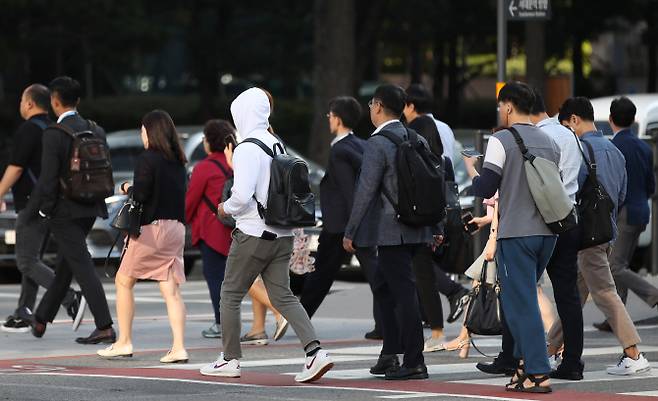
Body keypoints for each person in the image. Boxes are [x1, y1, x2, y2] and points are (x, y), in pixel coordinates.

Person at [200, 88, 333, 383]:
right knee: (284, 296)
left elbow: (242, 196)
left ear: (242, 113)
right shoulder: (277, 143)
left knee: (230, 294)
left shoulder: (247, 147)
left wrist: (224, 208)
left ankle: (230, 359)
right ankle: (315, 352)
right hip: (282, 233)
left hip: (252, 234)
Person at [463, 82, 558, 393]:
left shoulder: (501, 139)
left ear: (507, 106)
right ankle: (521, 364)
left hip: (517, 232)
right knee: (520, 300)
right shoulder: (548, 140)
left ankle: (539, 372)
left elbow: (487, 188)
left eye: (500, 107)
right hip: (548, 233)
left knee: (522, 305)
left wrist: (472, 171)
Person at [548, 97, 650, 376]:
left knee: (605, 293)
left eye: (566, 124)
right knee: (576, 294)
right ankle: (546, 350)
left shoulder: (581, 150)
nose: (567, 131)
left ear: (574, 120)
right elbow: (621, 195)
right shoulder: (615, 150)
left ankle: (634, 353)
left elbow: (569, 190)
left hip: (585, 235)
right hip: (606, 232)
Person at [344, 84, 437, 381]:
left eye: (372, 104)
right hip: (417, 227)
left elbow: (365, 191)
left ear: (379, 107)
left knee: (403, 293)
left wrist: (351, 231)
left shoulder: (377, 143)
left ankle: (414, 360)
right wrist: (435, 226)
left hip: (390, 230)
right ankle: (389, 353)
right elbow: (435, 181)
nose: (370, 109)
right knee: (384, 288)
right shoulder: (417, 137)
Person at [97, 110, 188, 362]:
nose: (141, 134)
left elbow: (142, 195)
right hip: (176, 229)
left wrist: (127, 187)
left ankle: (124, 341)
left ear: (151, 131)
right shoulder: (179, 161)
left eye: (143, 130)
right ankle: (179, 346)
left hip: (152, 229)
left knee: (123, 281)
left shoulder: (148, 159)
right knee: (170, 288)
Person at [29, 76, 114, 344]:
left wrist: (44, 210)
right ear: (77, 101)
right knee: (68, 264)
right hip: (91, 207)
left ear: (55, 101)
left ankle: (104, 326)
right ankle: (41, 318)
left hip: (64, 211)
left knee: (82, 266)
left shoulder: (54, 133)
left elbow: (48, 178)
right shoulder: (95, 130)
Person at [0, 84, 83, 333]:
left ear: (28, 103)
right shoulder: (53, 128)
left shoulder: (28, 130)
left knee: (25, 262)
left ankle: (70, 298)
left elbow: (16, 167)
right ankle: (24, 310)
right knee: (32, 257)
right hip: (53, 204)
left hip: (32, 203)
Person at [299, 96, 382, 340]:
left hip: (340, 226)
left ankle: (299, 318)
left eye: (330, 115)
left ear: (337, 118)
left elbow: (349, 192)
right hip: (359, 223)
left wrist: (350, 230)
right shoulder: (360, 144)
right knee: (376, 275)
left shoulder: (339, 150)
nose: (328, 119)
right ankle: (385, 324)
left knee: (322, 274)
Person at [402, 85, 469, 353]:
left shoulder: (418, 130)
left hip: (423, 209)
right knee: (423, 269)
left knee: (422, 269)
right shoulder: (444, 127)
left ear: (410, 105)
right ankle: (436, 320)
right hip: (440, 206)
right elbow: (448, 164)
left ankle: (448, 304)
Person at [530, 90, 585, 380]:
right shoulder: (569, 134)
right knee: (568, 295)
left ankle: (517, 358)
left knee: (524, 289)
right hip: (570, 218)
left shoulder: (538, 137)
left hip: (543, 220)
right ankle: (572, 361)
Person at [593, 97, 658, 332]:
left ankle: (652, 294)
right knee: (621, 263)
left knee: (614, 266)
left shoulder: (614, 147)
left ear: (611, 120)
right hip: (642, 209)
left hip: (624, 211)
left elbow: (612, 184)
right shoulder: (644, 146)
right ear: (632, 120)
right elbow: (652, 184)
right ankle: (615, 317)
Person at [185, 119, 234, 339]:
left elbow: (191, 200)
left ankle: (221, 323)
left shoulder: (204, 168)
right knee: (240, 280)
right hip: (239, 229)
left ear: (208, 141)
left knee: (215, 278)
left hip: (211, 230)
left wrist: (183, 219)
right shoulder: (236, 163)